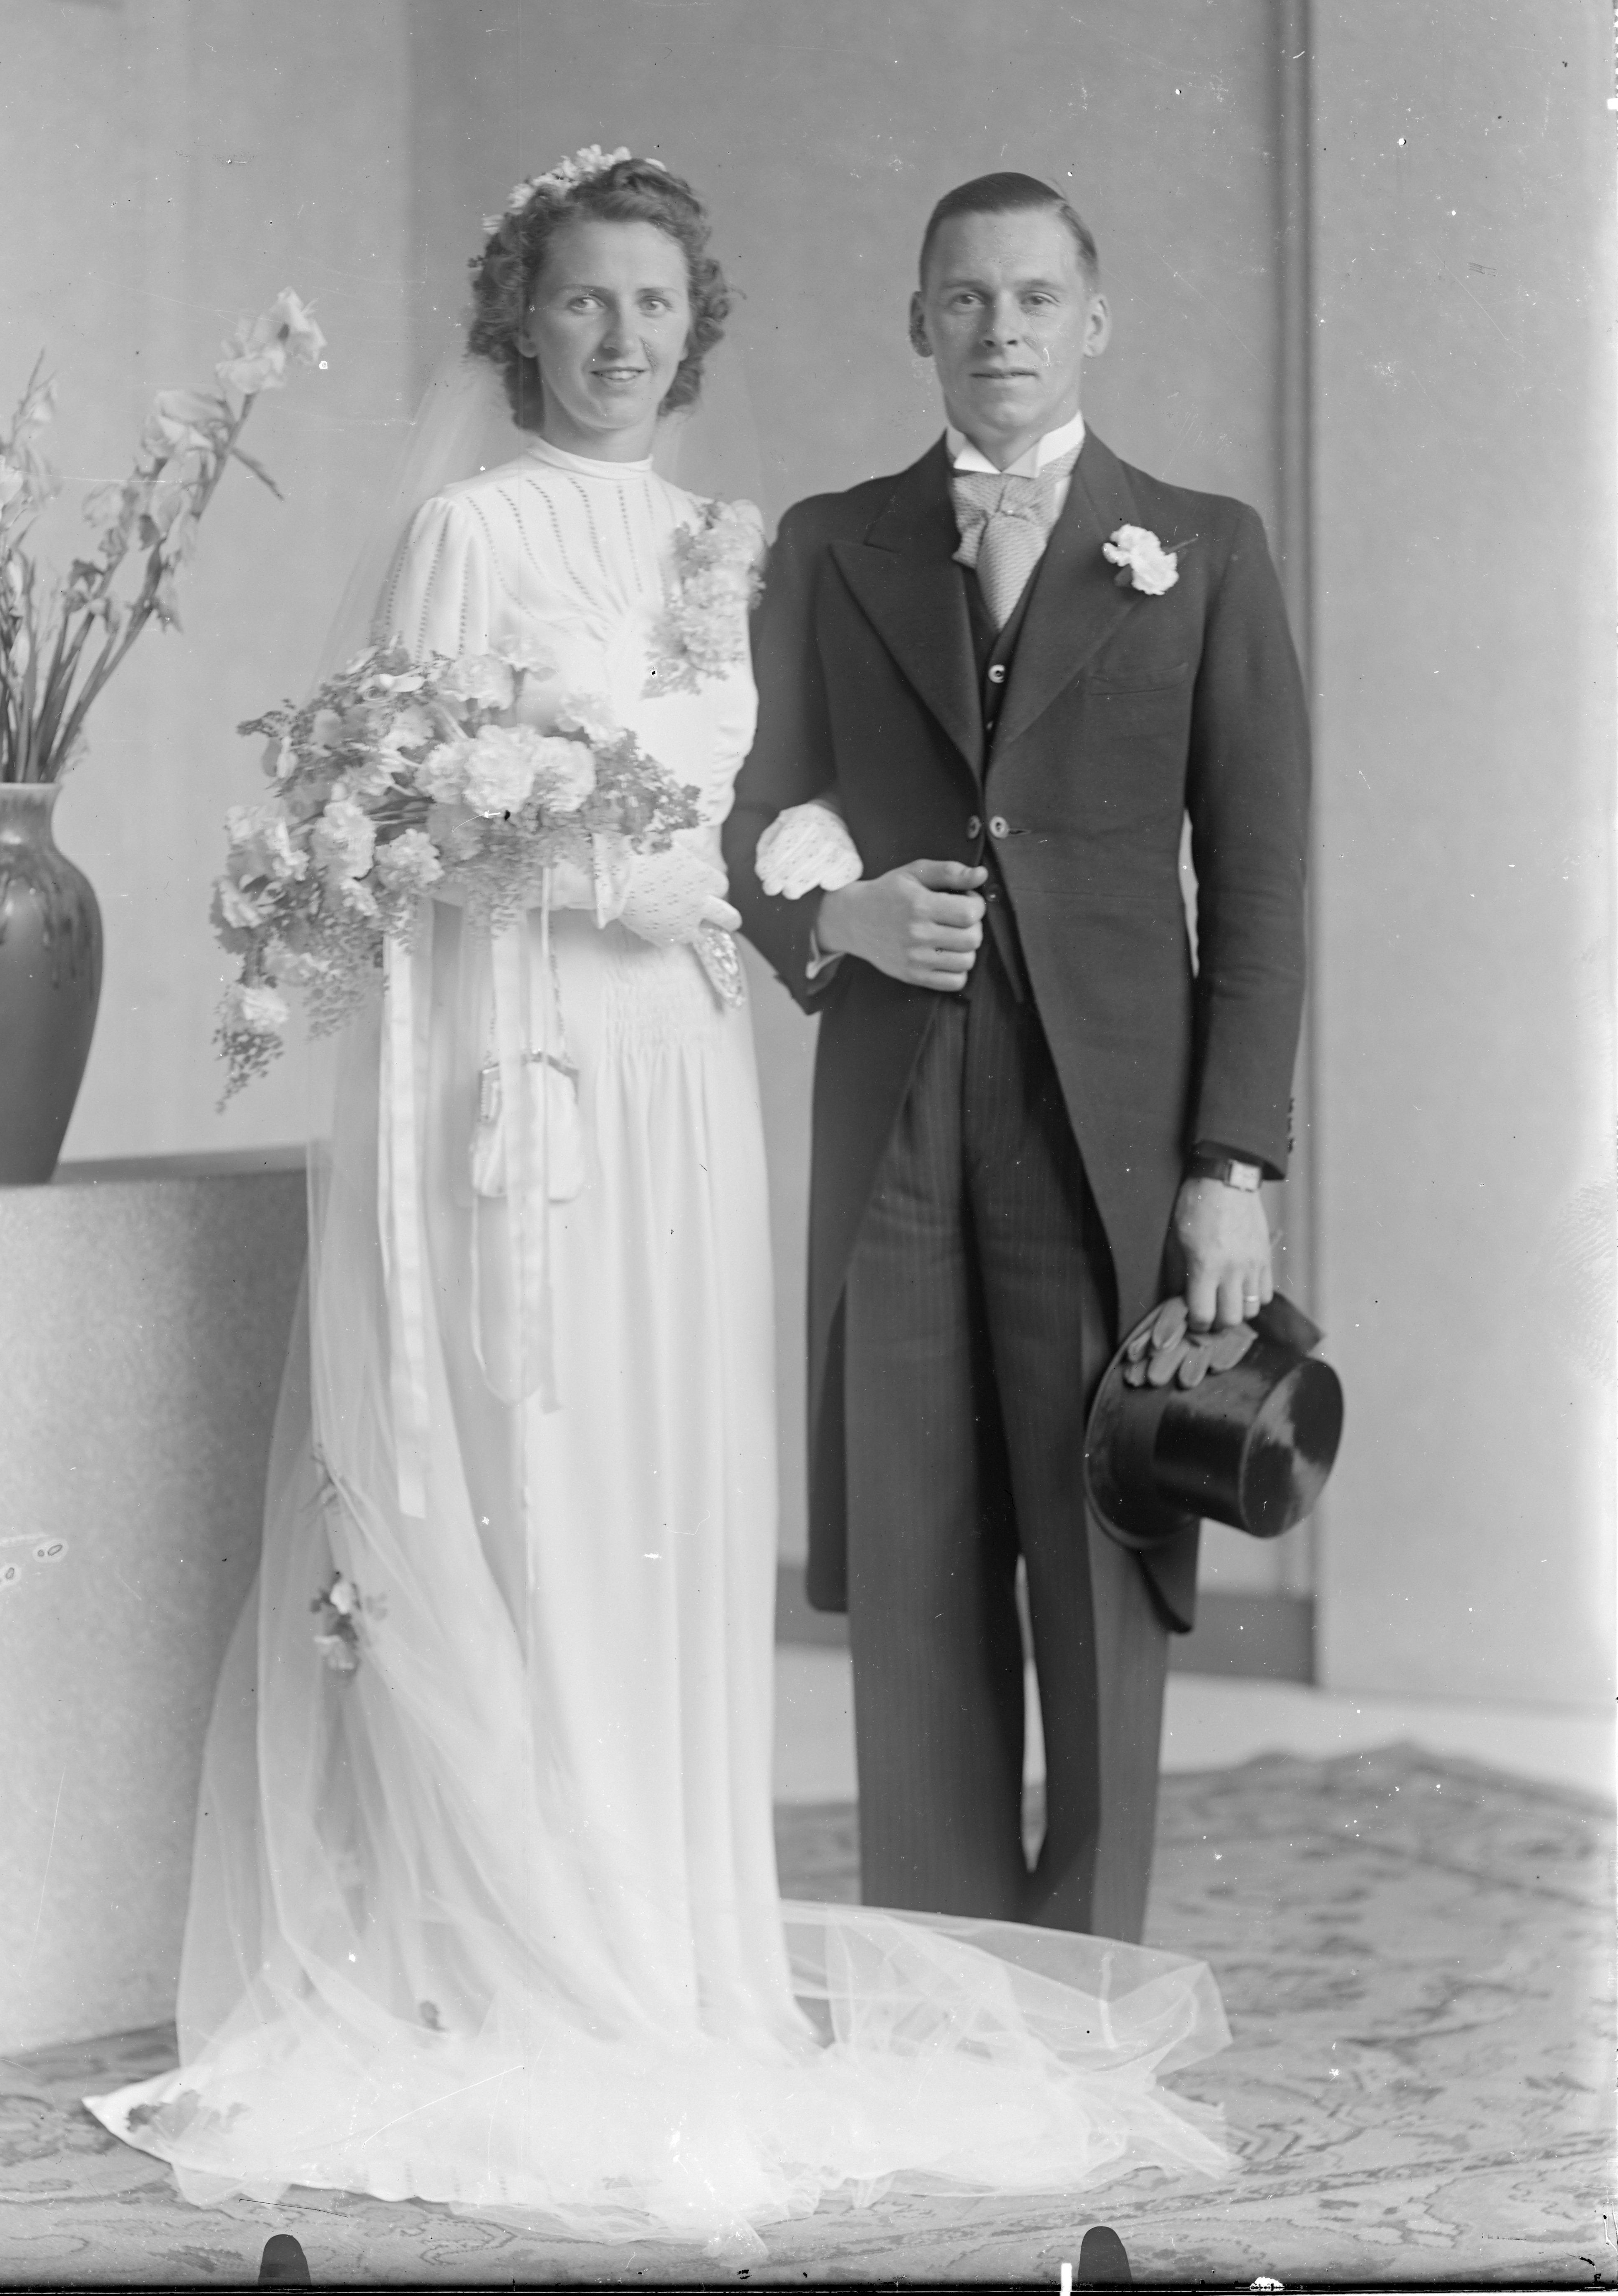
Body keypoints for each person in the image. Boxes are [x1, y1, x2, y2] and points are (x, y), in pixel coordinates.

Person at [86, 152, 1234, 2256]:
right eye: (581, 302)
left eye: (652, 305)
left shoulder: (735, 543)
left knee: (670, 1483)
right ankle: (537, 1938)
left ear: (695, 327)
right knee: (542, 1464)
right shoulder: (469, 533)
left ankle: (680, 1944)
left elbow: (786, 808)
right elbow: (409, 832)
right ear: (517, 320)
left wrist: (805, 897)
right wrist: (646, 883)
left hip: (686, 1077)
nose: (619, 340)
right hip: (528, 1062)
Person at [725, 171, 1310, 1948]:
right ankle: (941, 1990)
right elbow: (744, 815)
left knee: (1103, 1539)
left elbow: (1261, 879)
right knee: (915, 1553)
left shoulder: (1202, 547)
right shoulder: (831, 544)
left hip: (1110, 1126)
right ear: (917, 323)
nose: (1001, 331)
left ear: (1094, 321)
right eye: (966, 299)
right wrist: (839, 920)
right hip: (898, 1106)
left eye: (1037, 297)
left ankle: (1089, 1997)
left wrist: (1230, 1165)